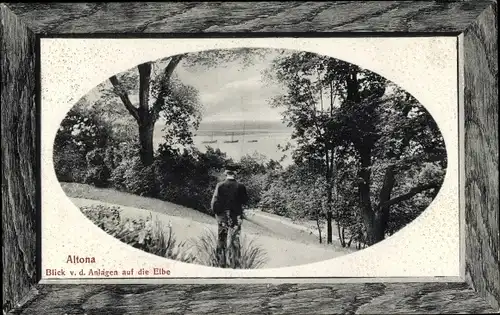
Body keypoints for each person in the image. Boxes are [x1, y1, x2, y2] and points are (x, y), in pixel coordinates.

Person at [210, 169, 249, 268]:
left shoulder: (220, 185)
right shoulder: (241, 186)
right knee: (235, 239)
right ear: (235, 174)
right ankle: (235, 264)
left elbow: (214, 202)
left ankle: (219, 263)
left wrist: (218, 213)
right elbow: (245, 201)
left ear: (226, 174)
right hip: (236, 216)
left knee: (221, 238)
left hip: (223, 216)